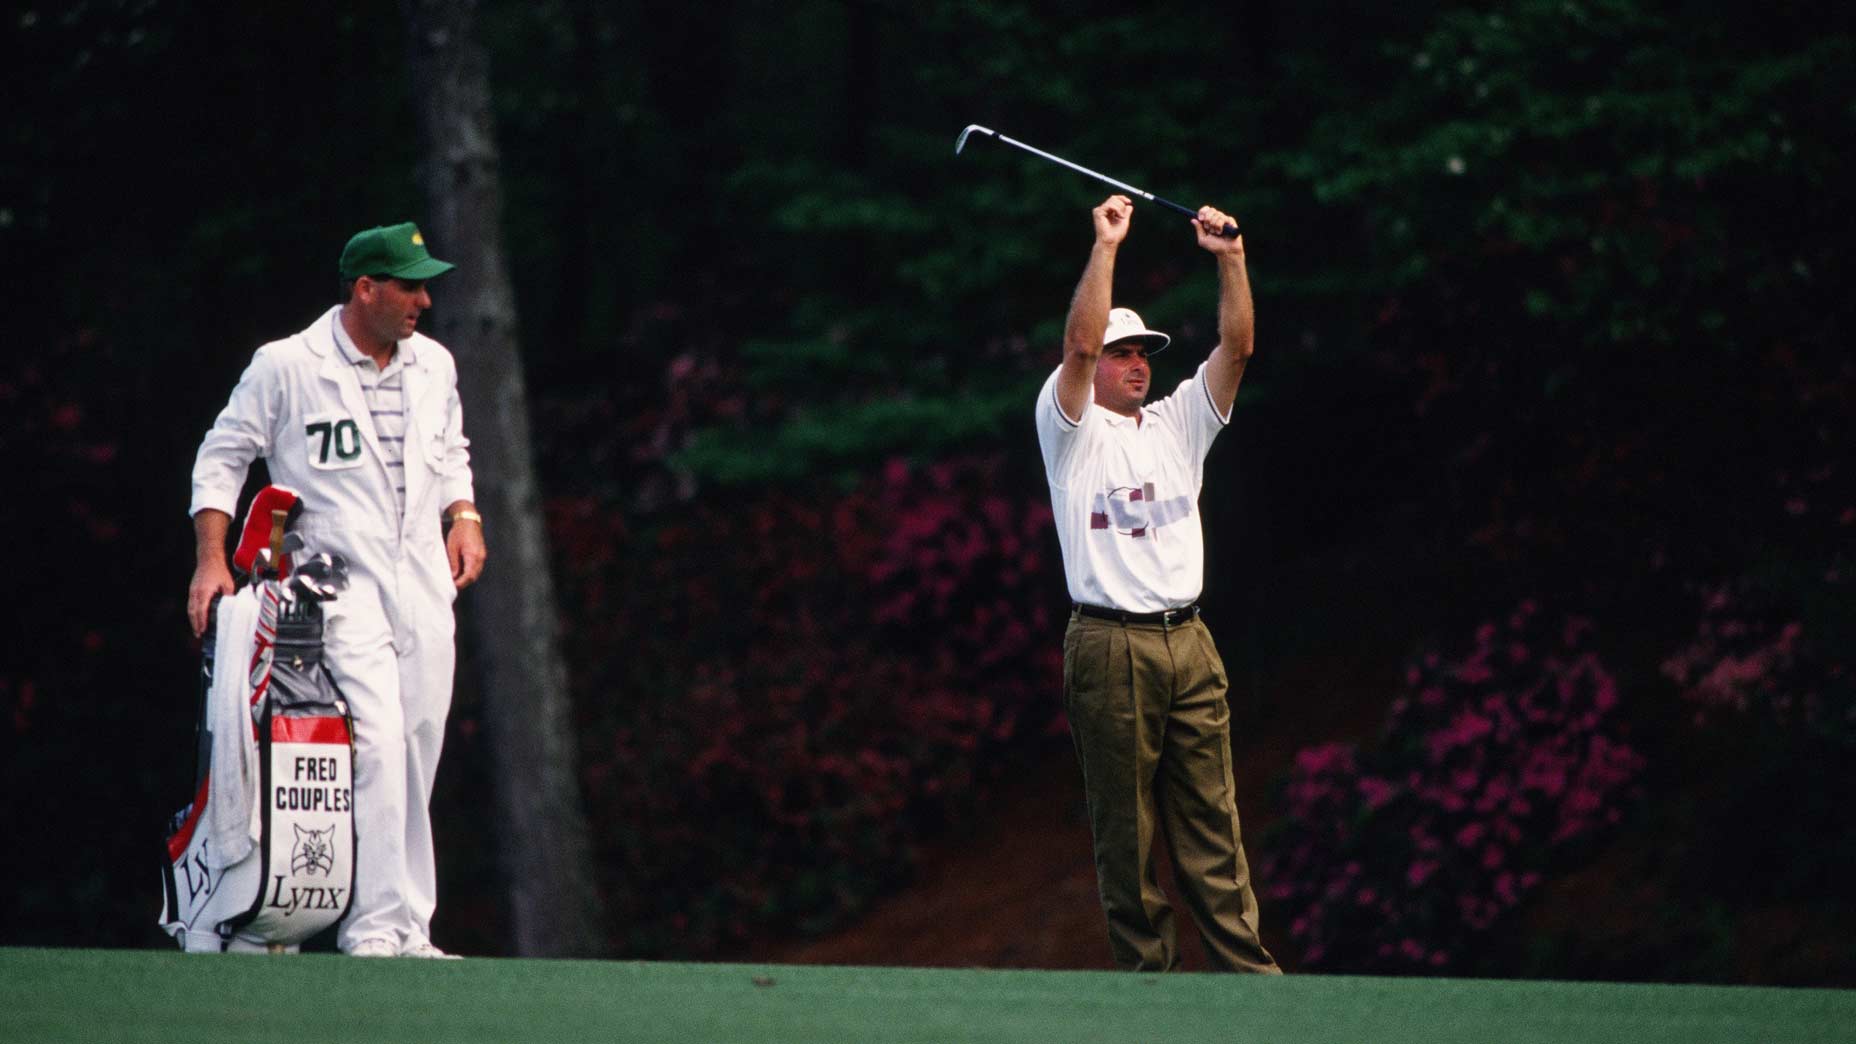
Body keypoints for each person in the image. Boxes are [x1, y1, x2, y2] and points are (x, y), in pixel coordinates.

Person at [187, 221, 487, 958]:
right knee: (378, 739)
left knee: (418, 739)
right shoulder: (288, 364)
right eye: (410, 287)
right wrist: (211, 559)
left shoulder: (434, 365)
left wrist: (464, 515)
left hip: (421, 575)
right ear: (366, 288)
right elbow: (223, 457)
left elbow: (451, 449)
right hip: (335, 580)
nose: (423, 301)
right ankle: (373, 929)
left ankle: (406, 925)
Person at [1034, 194, 1279, 973]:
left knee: (1214, 818)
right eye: (1123, 353)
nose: (1137, 362)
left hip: (1189, 640)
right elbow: (1078, 346)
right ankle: (1150, 981)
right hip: (1110, 642)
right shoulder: (1069, 428)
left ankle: (1249, 979)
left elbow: (1237, 349)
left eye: (1143, 351)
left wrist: (1232, 259)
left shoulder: (1178, 423)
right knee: (1126, 826)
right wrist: (1107, 245)